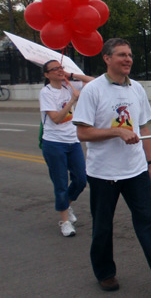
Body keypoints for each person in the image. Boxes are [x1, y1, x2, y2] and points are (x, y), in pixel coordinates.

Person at [72, 38, 151, 295]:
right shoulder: (92, 90)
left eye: (129, 55)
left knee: (147, 222)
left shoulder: (136, 88)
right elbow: (83, 133)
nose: (128, 59)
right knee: (103, 226)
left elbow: (143, 128)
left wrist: (150, 163)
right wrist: (116, 131)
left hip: (135, 170)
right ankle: (105, 273)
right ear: (107, 58)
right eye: (121, 55)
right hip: (103, 173)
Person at [39, 60, 93, 237]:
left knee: (81, 180)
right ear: (47, 75)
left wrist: (72, 75)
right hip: (54, 143)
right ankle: (65, 221)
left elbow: (94, 81)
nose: (59, 71)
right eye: (54, 69)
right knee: (61, 183)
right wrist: (72, 100)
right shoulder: (46, 93)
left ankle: (66, 204)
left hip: (73, 140)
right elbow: (55, 118)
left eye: (60, 67)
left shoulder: (69, 85)